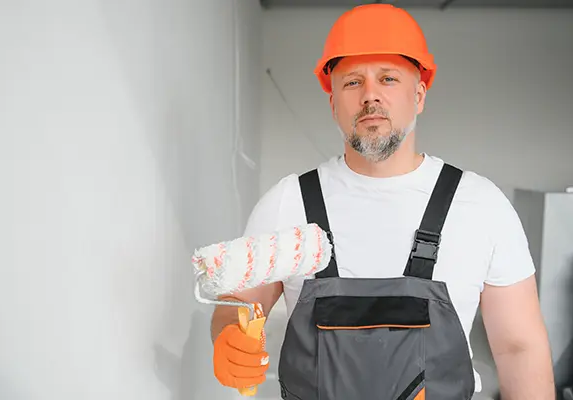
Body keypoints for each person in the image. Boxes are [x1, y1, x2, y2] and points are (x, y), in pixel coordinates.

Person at [210, 4, 555, 400]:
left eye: (388, 79)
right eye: (353, 82)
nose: (370, 96)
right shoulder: (286, 204)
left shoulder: (482, 206)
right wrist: (227, 335)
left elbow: (520, 348)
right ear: (333, 102)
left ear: (419, 94)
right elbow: (236, 306)